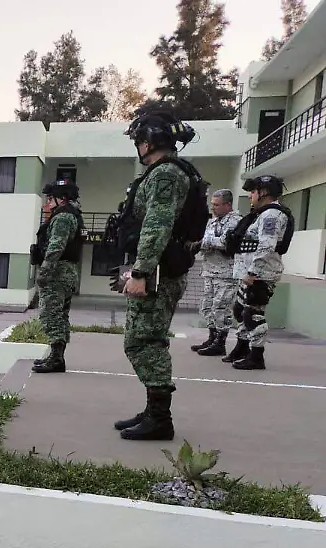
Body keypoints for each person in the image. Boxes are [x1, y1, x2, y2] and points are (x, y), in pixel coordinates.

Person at [112, 110, 203, 442]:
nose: (137, 146)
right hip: (162, 269)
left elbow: (157, 225)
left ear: (147, 143)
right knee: (149, 340)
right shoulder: (177, 172)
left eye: (138, 141)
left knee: (142, 343)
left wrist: (140, 272)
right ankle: (153, 411)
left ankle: (160, 418)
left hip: (159, 273)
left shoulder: (164, 174)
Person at [222, 175, 291, 370]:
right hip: (250, 273)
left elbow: (267, 246)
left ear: (264, 193)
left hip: (260, 274)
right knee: (241, 311)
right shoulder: (262, 213)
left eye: (253, 192)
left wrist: (253, 271)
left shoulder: (271, 216)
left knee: (253, 314)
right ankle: (242, 348)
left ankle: (256, 356)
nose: (250, 195)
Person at [31, 179, 83, 374]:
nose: (47, 203)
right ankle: (56, 356)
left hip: (57, 272)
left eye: (50, 198)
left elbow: (55, 247)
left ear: (61, 199)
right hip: (67, 272)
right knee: (60, 316)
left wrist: (44, 272)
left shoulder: (62, 218)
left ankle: (56, 359)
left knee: (50, 315)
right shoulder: (73, 215)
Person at [190, 189, 241, 356]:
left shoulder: (235, 222)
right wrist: (205, 243)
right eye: (212, 204)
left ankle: (221, 342)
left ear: (228, 205)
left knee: (221, 307)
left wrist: (204, 242)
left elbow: (226, 242)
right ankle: (212, 338)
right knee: (207, 307)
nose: (213, 208)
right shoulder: (212, 222)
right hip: (210, 270)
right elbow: (208, 240)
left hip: (226, 273)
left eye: (217, 205)